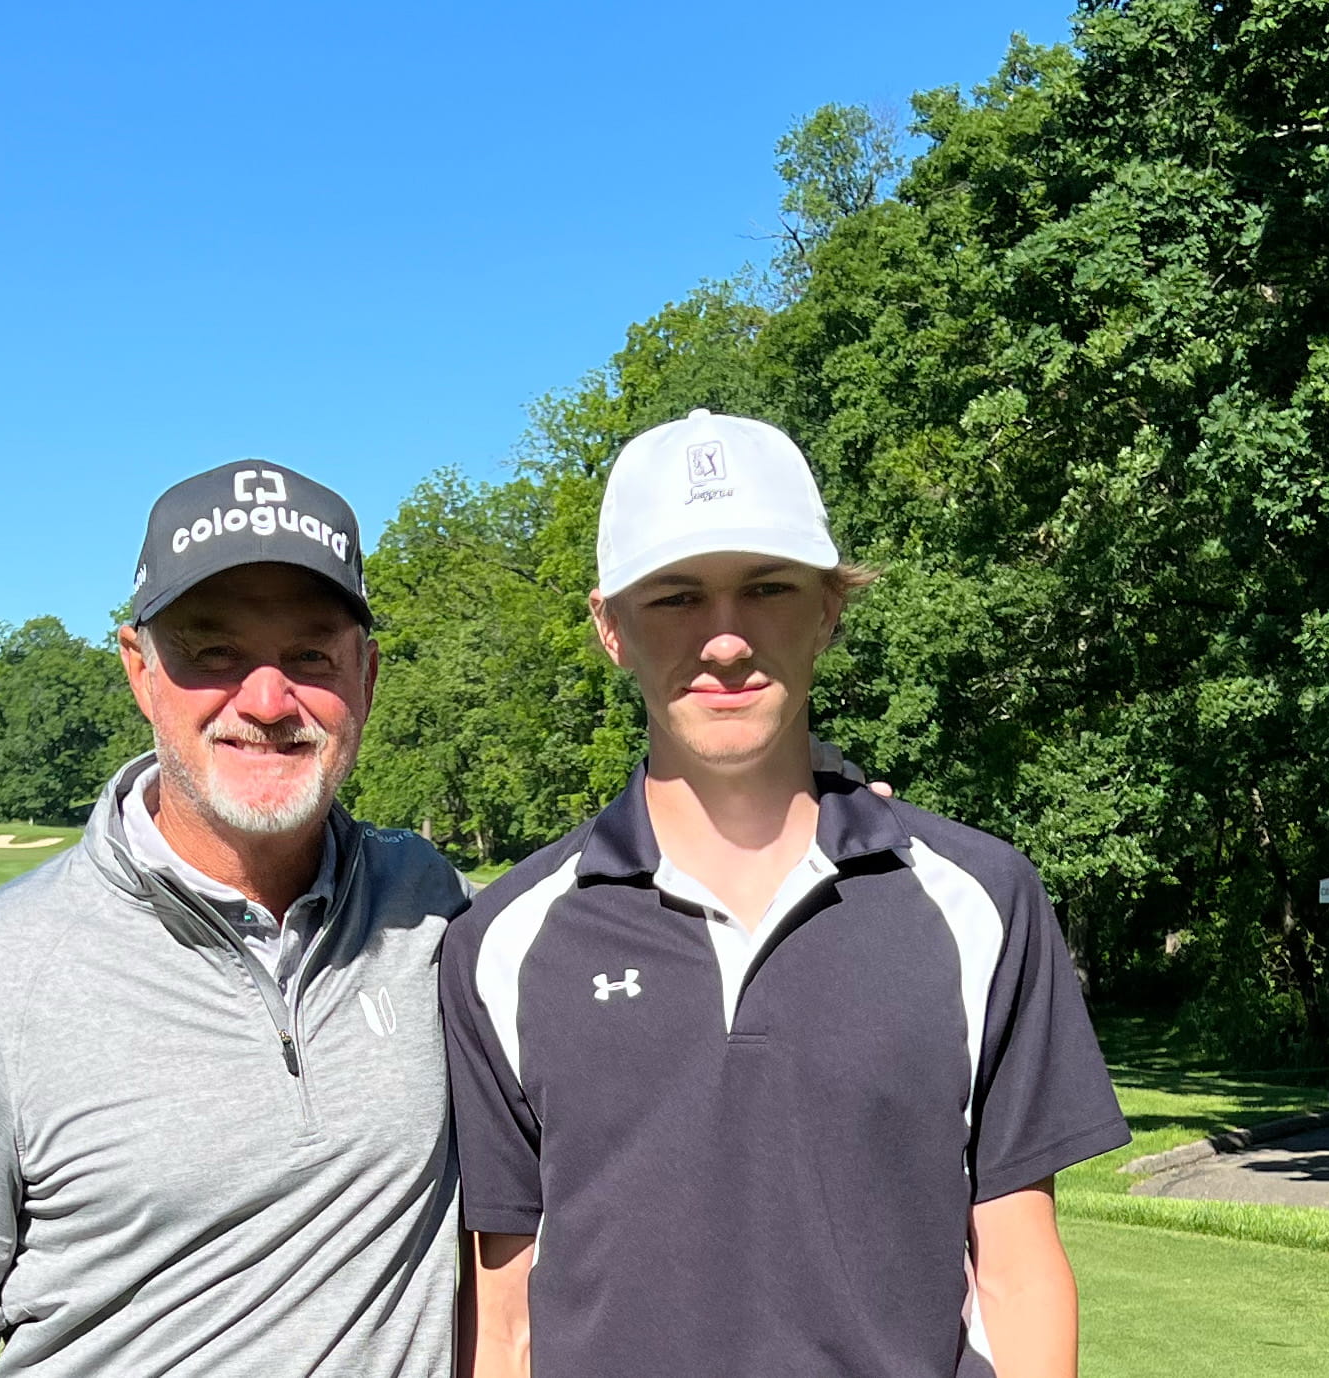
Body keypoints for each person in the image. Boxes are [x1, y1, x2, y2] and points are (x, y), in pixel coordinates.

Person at [442, 410, 1131, 1378]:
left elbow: (1019, 1271)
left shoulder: (981, 897)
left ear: (829, 608)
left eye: (766, 588)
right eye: (676, 596)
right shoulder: (503, 939)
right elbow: (504, 1320)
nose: (725, 639)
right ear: (610, 627)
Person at [0, 461, 467, 1378]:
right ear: (139, 671)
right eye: (211, 652)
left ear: (367, 678)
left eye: (310, 656)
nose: (266, 703)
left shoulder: (429, 906)